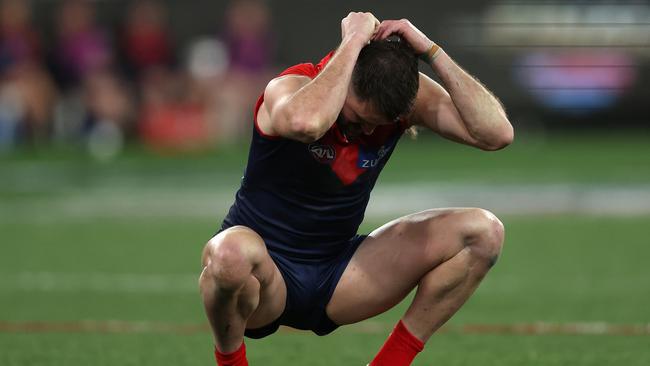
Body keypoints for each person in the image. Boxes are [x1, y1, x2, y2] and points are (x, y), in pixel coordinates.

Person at [199, 12, 514, 366]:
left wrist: (431, 50)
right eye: (357, 118)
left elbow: (496, 133)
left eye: (375, 125)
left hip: (340, 277)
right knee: (229, 255)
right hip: (264, 277)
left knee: (484, 233)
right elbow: (306, 123)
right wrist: (352, 42)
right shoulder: (291, 88)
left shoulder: (399, 98)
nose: (361, 132)